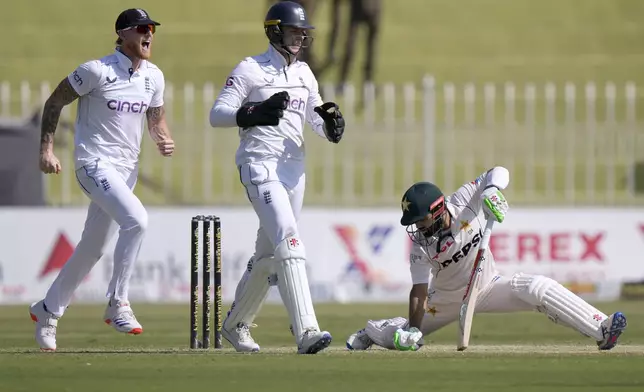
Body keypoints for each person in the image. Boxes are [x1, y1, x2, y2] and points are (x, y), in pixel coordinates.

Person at [345, 167, 628, 351]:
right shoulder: (421, 247)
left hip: (488, 286)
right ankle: (371, 332)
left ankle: (602, 328)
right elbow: (419, 291)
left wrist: (492, 191)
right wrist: (415, 330)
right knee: (404, 336)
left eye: (420, 220)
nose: (417, 228)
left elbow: (498, 171)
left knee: (536, 287)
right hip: (444, 300)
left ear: (438, 208)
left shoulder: (465, 199)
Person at [31, 8, 174, 351]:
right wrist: (46, 150)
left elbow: (155, 118)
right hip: (93, 165)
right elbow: (55, 101)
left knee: (92, 248)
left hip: (127, 171)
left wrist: (162, 137)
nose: (149, 34)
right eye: (142, 28)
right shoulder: (96, 70)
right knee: (137, 220)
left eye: (152, 29)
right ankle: (117, 303)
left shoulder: (154, 77)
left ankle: (48, 310)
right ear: (123, 34)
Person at [209, 1, 345, 354]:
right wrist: (253, 112)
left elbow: (315, 116)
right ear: (274, 31)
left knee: (269, 256)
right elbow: (218, 114)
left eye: (303, 32)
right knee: (289, 239)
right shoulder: (250, 69)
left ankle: (236, 325)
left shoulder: (304, 74)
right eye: (293, 31)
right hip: (259, 165)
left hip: (293, 172)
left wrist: (329, 126)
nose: (300, 37)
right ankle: (307, 332)